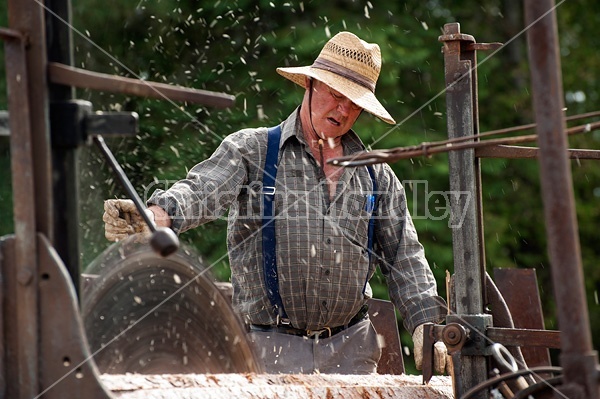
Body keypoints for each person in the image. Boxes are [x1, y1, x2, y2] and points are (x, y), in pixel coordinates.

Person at [103, 31, 448, 375]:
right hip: (266, 348)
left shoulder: (376, 174)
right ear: (311, 85)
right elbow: (202, 190)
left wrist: (426, 325)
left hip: (352, 352)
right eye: (335, 94)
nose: (342, 110)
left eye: (354, 103)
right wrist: (158, 215)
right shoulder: (253, 150)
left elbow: (406, 258)